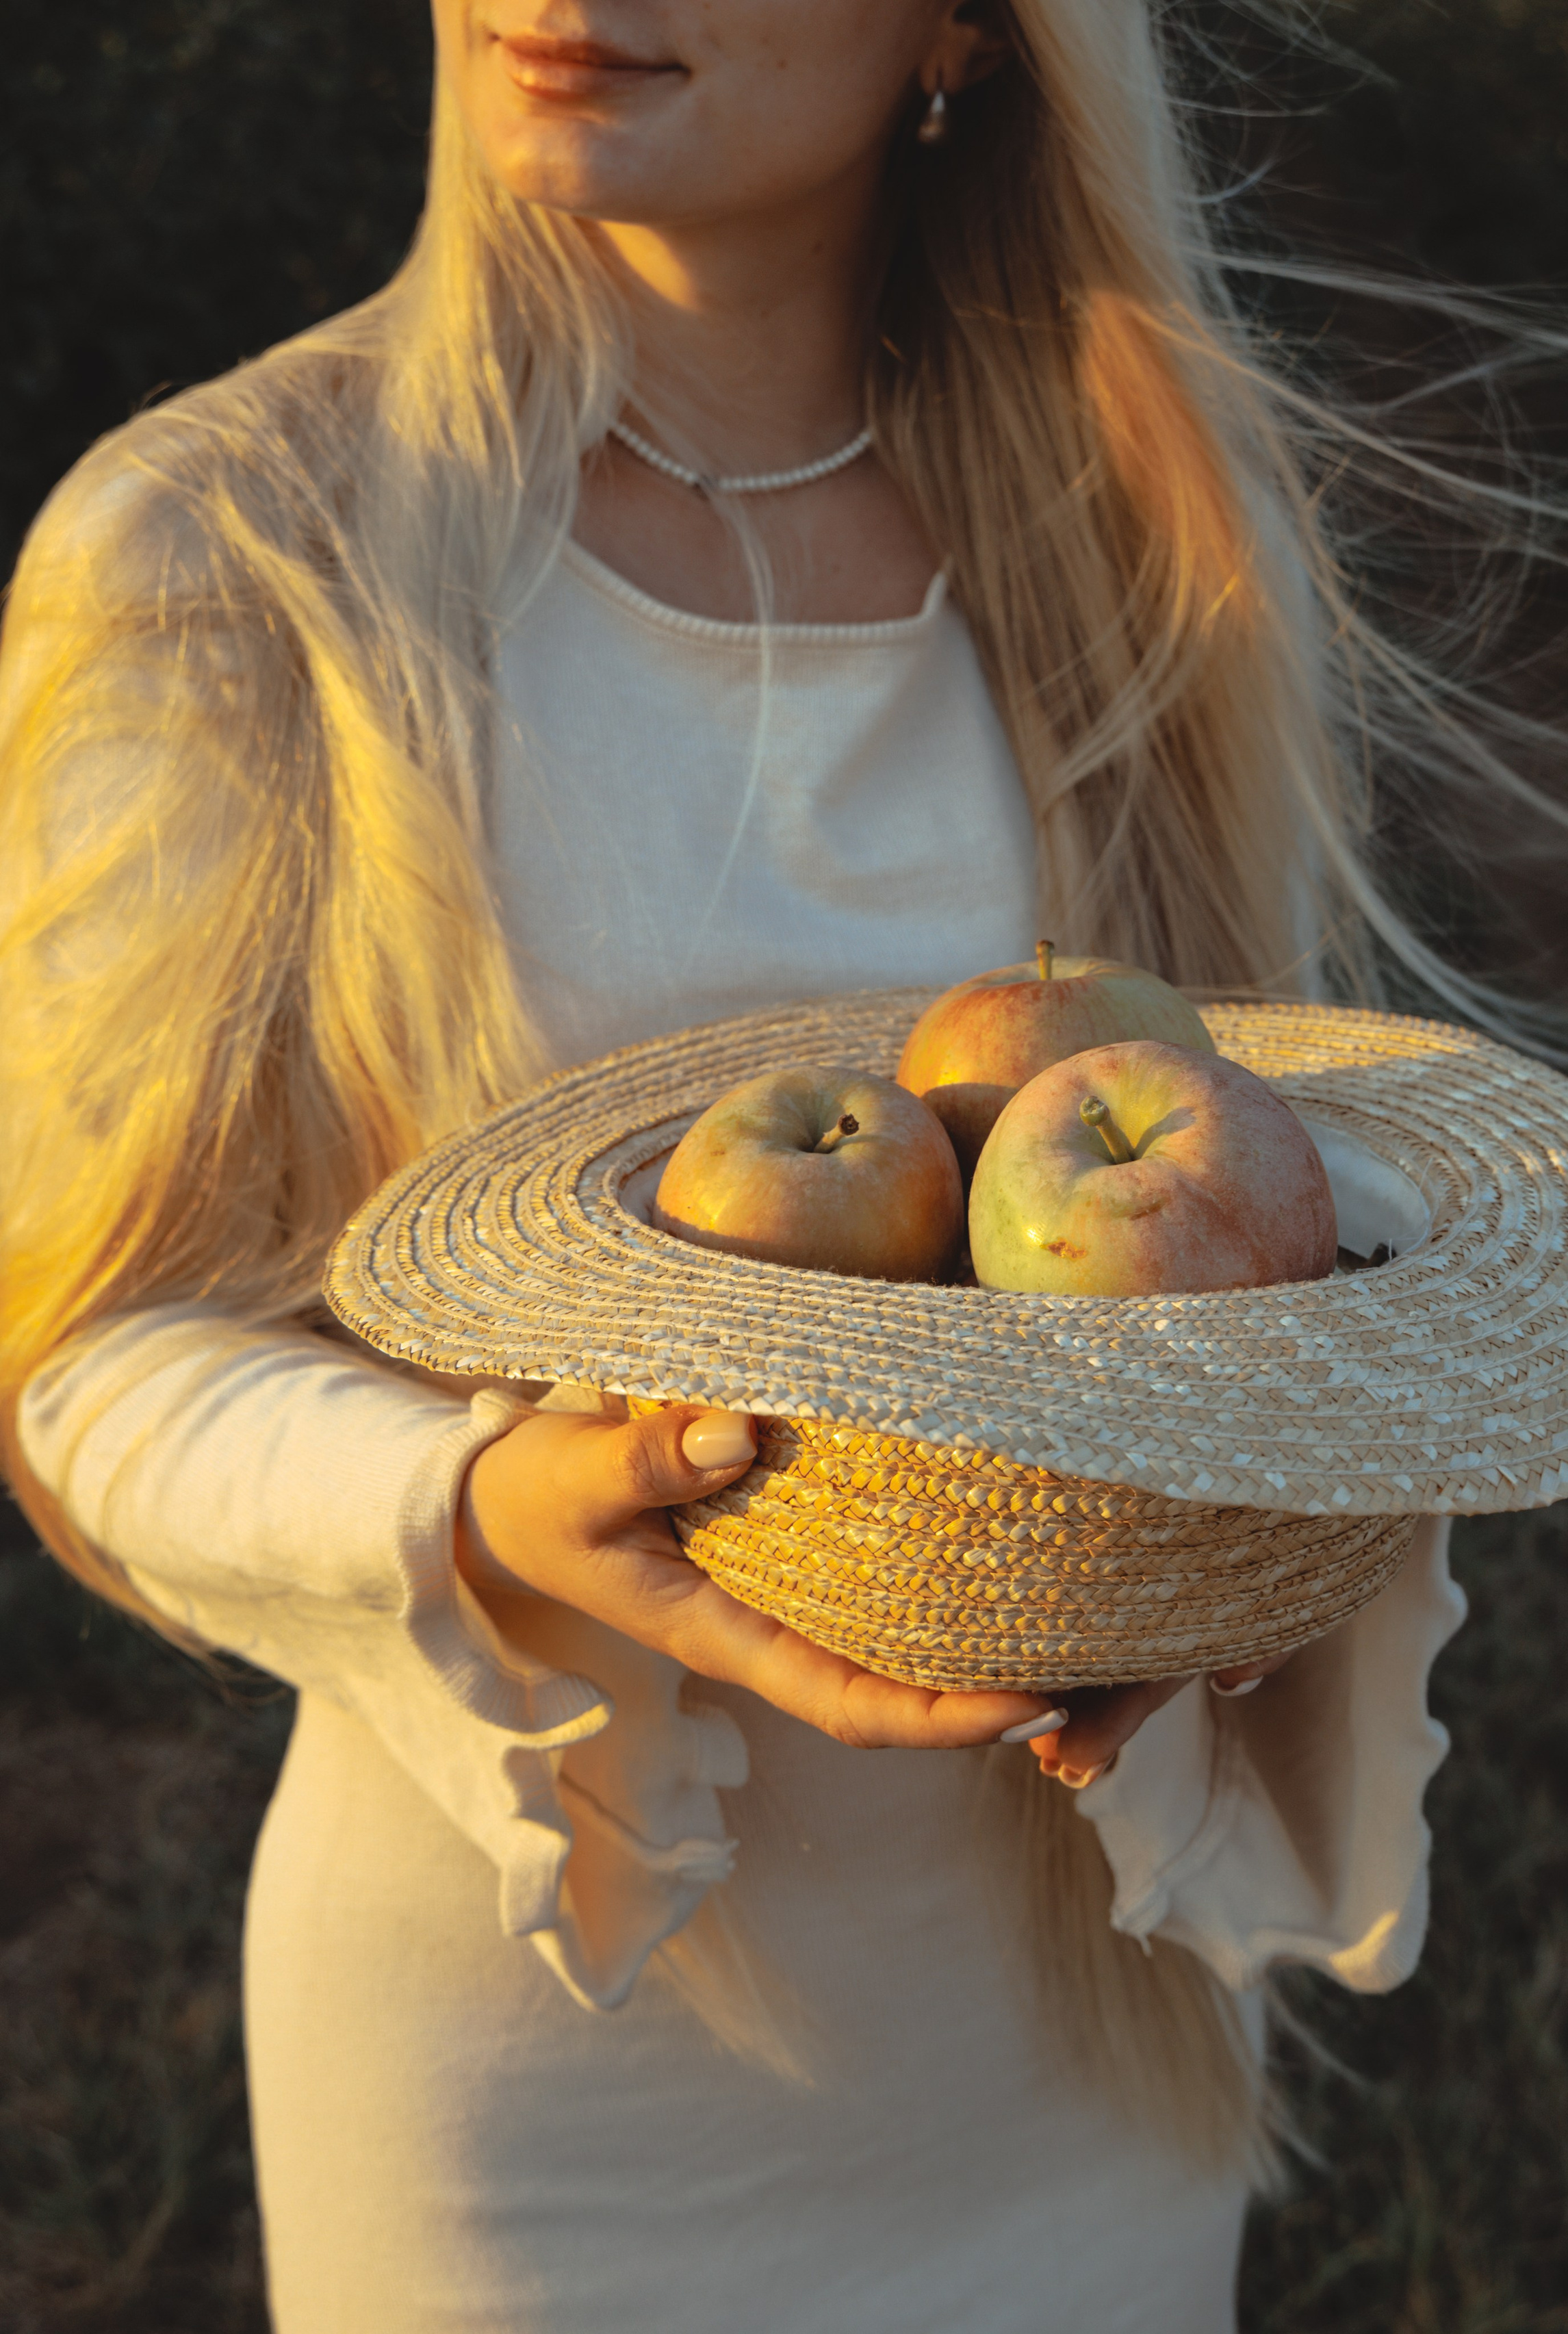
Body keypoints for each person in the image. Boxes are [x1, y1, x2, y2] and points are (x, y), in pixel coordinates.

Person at [1, 5, 1491, 2328]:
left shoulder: (1153, 537)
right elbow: (101, 1369)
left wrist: (1243, 1503)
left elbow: (1262, 1227)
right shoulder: (229, 551)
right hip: (534, 2070)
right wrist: (477, 1515)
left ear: (965, 33)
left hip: (1071, 2023)